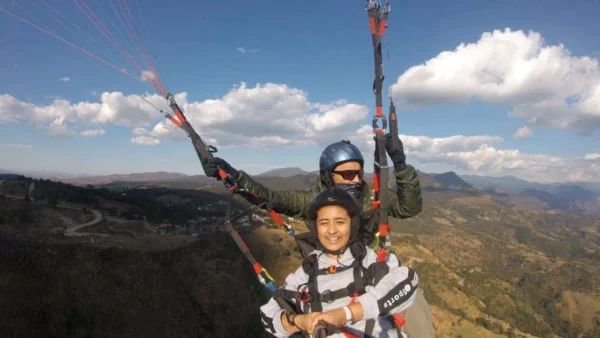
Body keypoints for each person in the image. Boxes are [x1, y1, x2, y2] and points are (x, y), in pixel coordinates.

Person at [201, 134, 423, 256]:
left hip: (370, 265)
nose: (355, 179)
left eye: (359, 172)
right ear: (328, 176)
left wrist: (400, 165)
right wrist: (230, 175)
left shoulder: (371, 197)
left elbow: (408, 207)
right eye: (347, 173)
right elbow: (270, 198)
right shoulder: (313, 201)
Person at [259, 188, 418, 338]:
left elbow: (408, 281)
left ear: (352, 224)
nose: (332, 230)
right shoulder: (307, 271)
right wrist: (300, 322)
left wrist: (345, 314)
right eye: (324, 223)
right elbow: (268, 315)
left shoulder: (370, 260)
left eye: (340, 222)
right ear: (316, 227)